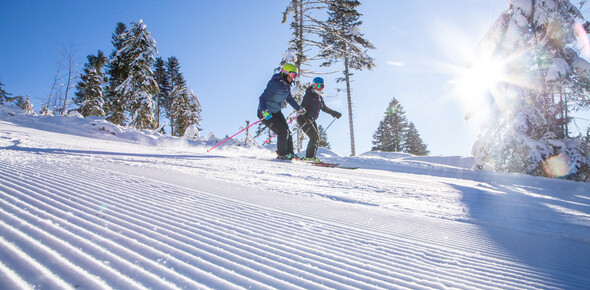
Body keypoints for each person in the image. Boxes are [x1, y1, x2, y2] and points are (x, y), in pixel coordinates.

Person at [258, 63, 304, 159]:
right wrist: (264, 111)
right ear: (285, 73)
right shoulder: (275, 84)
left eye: (295, 76)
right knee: (282, 131)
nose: (293, 78)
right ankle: (282, 154)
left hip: (276, 112)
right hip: (266, 113)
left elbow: (289, 99)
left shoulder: (287, 86)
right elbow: (262, 98)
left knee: (288, 132)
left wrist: (298, 108)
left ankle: (290, 153)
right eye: (292, 75)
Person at [297, 77, 341, 161]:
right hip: (303, 119)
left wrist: (334, 113)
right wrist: (306, 117)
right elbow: (302, 108)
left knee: (316, 138)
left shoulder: (319, 97)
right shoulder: (309, 95)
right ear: (313, 85)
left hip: (311, 120)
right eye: (318, 85)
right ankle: (310, 157)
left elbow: (324, 108)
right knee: (314, 137)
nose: (320, 87)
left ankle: (310, 157)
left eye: (322, 86)